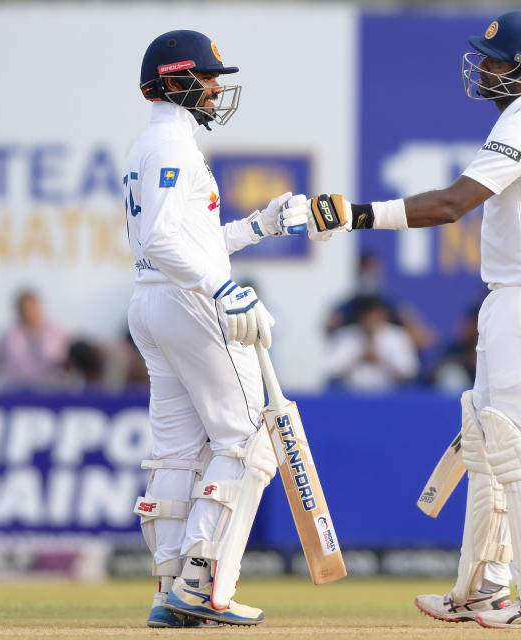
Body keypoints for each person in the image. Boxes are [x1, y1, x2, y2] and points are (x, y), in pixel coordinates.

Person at [308, 11, 521, 629]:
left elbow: (453, 204)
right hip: (520, 295)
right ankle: (483, 587)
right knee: (488, 441)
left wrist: (356, 215)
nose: (483, 67)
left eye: (495, 59)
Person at [124, 30, 309, 628]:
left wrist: (259, 226)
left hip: (152, 301)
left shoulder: (151, 143)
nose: (215, 89)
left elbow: (189, 242)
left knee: (176, 453)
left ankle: (171, 585)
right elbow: (160, 239)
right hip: (187, 303)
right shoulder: (173, 146)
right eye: (207, 78)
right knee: (248, 439)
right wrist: (220, 288)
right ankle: (204, 583)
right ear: (177, 80)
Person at [323, 295, 420, 390]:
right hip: (351, 396)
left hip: (389, 396)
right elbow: (331, 370)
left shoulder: (397, 336)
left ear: (383, 315)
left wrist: (381, 361)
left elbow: (409, 371)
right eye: (366, 316)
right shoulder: (346, 336)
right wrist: (358, 358)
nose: (370, 320)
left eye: (373, 315)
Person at [0, 289, 69, 390]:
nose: (28, 311)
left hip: (49, 389)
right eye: (24, 307)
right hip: (15, 390)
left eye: (31, 306)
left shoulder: (58, 331)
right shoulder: (8, 335)